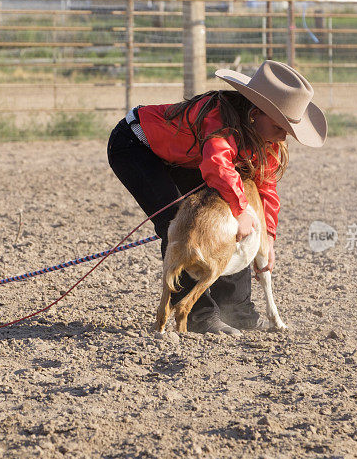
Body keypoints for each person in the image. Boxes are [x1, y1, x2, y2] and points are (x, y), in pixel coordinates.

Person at [107, 60, 327, 335]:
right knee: (179, 221)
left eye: (288, 128)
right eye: (280, 126)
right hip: (136, 146)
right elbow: (217, 164)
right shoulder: (219, 120)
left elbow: (265, 187)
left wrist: (268, 235)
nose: (284, 135)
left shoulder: (267, 141)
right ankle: (199, 316)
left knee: (228, 219)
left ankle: (237, 310)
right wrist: (241, 208)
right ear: (255, 114)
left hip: (185, 160)